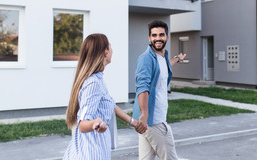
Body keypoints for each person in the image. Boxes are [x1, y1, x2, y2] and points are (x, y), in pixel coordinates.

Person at [63, 33, 147, 160]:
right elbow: (82, 124)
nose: (112, 50)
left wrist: (133, 122)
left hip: (97, 149)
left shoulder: (98, 79)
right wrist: (94, 123)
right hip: (90, 153)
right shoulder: (93, 83)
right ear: (105, 52)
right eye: (110, 47)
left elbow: (111, 104)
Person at [132, 20, 186, 160]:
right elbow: (142, 87)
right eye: (154, 35)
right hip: (154, 121)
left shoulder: (162, 57)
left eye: (161, 35)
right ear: (149, 38)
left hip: (148, 122)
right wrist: (144, 115)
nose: (158, 38)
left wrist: (178, 59)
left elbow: (166, 66)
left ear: (167, 37)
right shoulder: (146, 59)